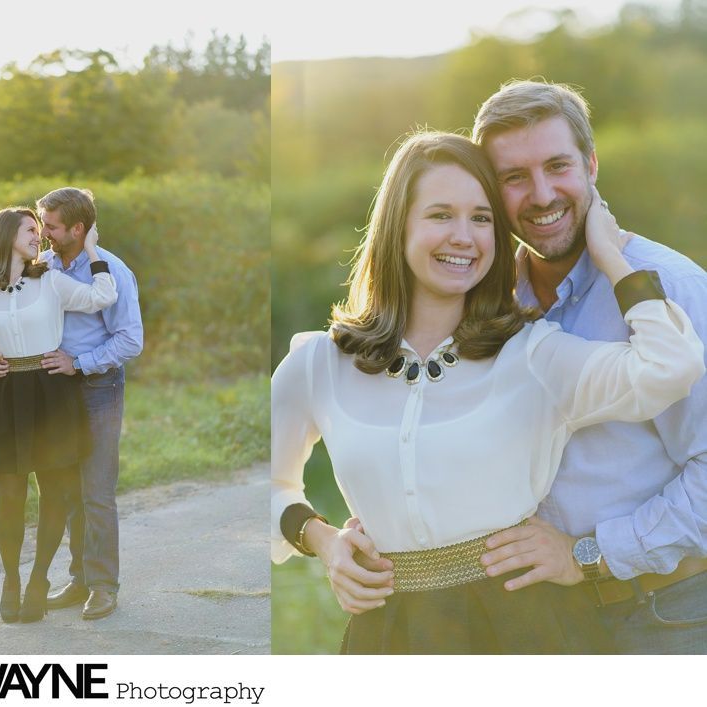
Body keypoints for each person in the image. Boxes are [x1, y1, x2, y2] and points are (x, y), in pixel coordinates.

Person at [269, 131, 703, 653]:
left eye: (481, 219)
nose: (464, 236)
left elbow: (671, 365)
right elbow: (262, 485)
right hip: (388, 637)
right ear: (396, 226)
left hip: (529, 630)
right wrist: (324, 541)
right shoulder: (319, 362)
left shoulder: (534, 354)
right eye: (440, 215)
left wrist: (610, 256)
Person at [469, 80, 707, 654]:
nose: (542, 194)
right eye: (515, 177)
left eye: (558, 166)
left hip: (669, 620)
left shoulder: (675, 289)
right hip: (544, 624)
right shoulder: (488, 303)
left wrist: (588, 554)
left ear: (592, 165)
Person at [0, 206, 117, 623]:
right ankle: (11, 581)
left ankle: (39, 579)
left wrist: (93, 252)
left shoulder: (52, 281)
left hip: (52, 393)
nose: (39, 237)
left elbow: (102, 296)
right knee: (12, 497)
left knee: (56, 493)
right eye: (30, 230)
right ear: (5, 236)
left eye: (39, 231)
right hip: (5, 395)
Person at [36, 187, 143, 621]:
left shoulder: (112, 270)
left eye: (51, 226)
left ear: (77, 229)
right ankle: (79, 579)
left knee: (96, 491)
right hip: (54, 392)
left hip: (98, 388)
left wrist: (78, 363)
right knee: (68, 493)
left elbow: (131, 340)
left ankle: (103, 587)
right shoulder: (43, 266)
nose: (44, 233)